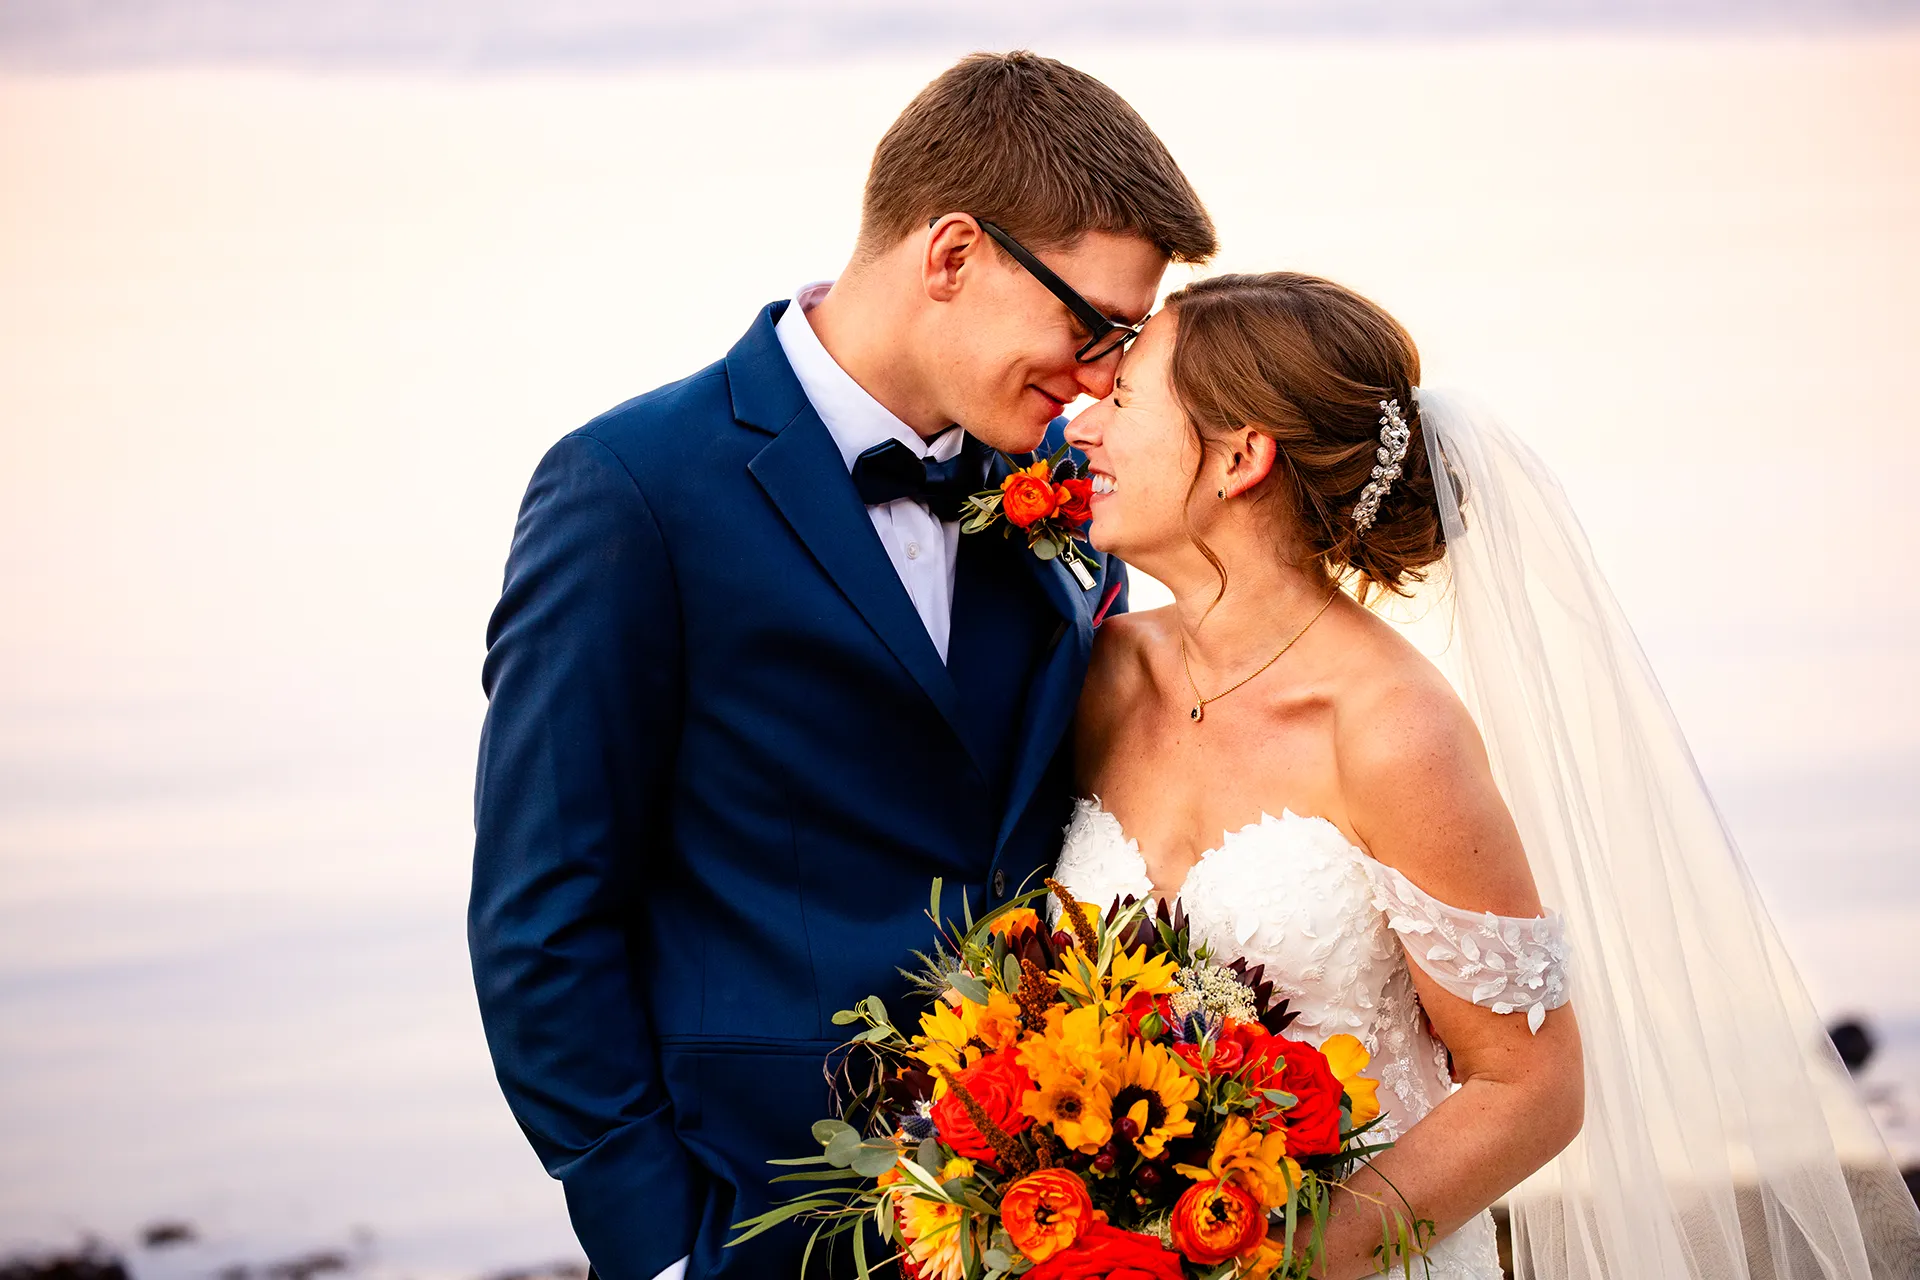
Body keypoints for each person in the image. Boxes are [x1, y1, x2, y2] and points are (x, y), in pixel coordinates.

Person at [467, 51, 1215, 1280]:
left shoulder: (1066, 496)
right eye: (1086, 325)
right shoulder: (630, 490)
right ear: (952, 254)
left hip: (1054, 1206)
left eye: (1120, 344)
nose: (1095, 380)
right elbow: (540, 914)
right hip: (755, 1210)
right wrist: (656, 1241)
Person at [1056, 273, 1920, 1277]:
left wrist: (1276, 1263)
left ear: (1242, 456)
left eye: (1122, 402)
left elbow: (1530, 1084)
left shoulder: (1390, 726)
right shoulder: (1102, 675)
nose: (1082, 428)